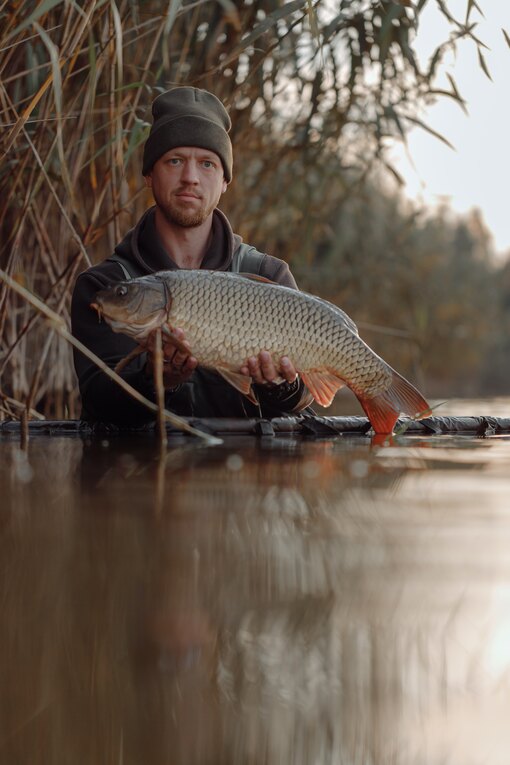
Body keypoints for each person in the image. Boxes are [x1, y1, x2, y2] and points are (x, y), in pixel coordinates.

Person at [71, 86, 313, 426]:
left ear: (225, 180)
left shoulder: (269, 276)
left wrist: (279, 387)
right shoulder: (107, 287)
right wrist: (157, 380)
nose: (190, 178)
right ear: (149, 174)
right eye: (175, 160)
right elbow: (99, 406)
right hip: (136, 474)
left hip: (243, 472)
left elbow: (304, 407)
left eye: (207, 164)